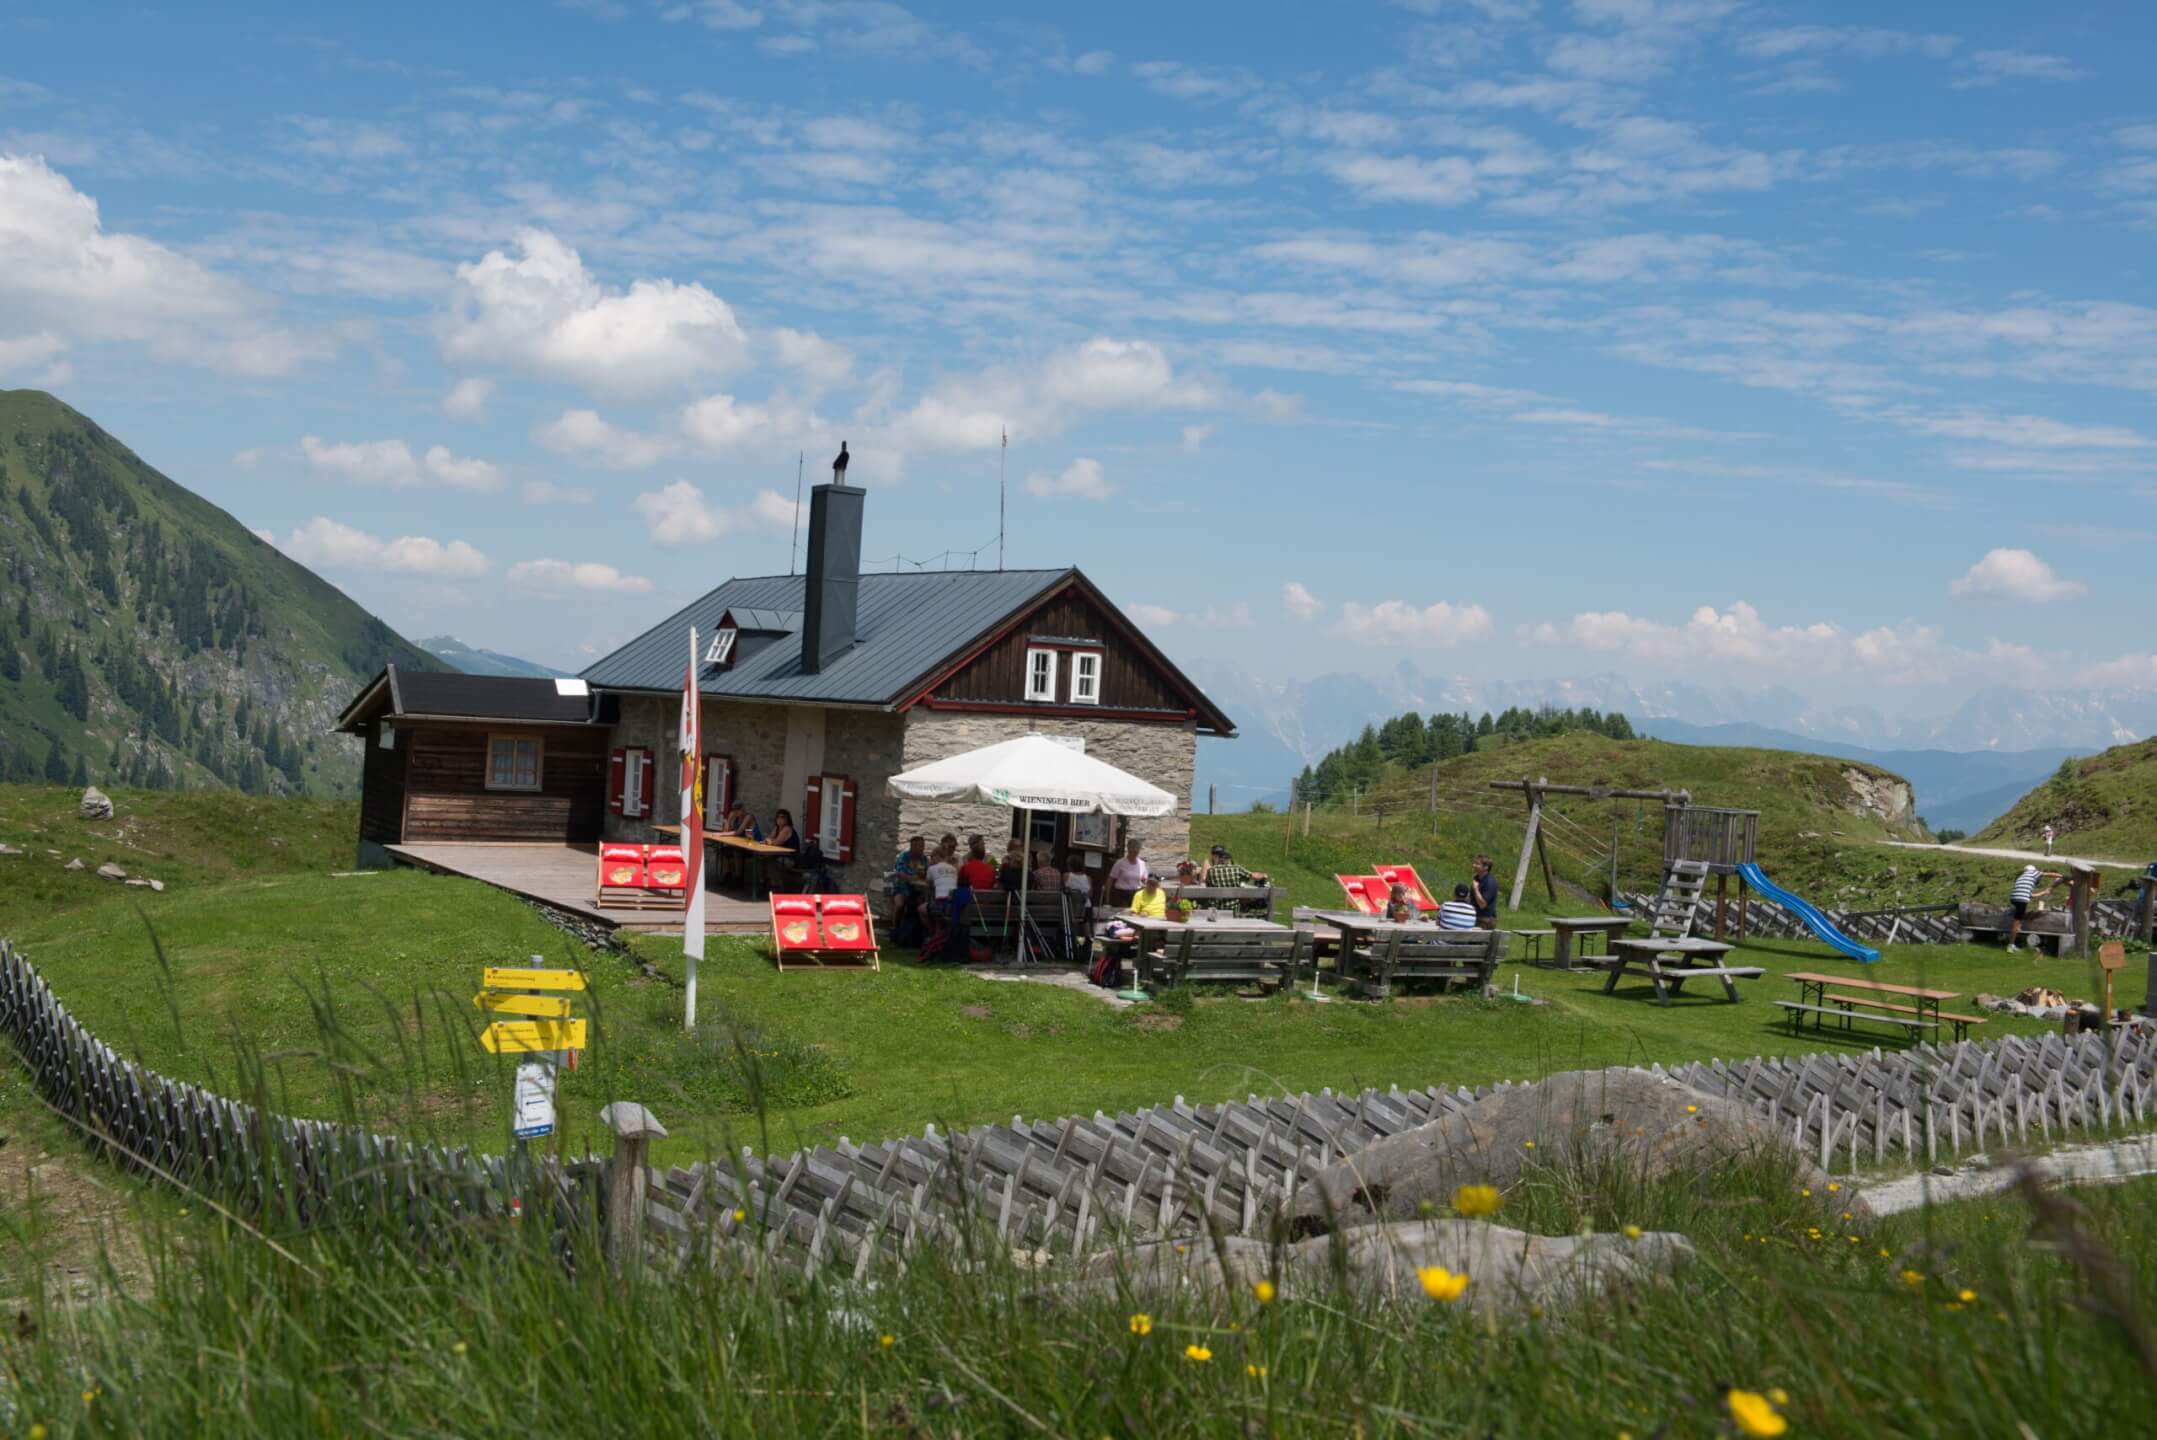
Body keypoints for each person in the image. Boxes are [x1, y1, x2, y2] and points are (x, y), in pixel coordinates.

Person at [2006, 863, 2061, 951]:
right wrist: (2061, 876)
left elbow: (2031, 895)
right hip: (2021, 899)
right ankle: (2011, 945)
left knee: (2020, 918)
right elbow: (2049, 874)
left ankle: (2017, 930)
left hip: (2014, 898)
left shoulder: (2021, 877)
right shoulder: (2033, 872)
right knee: (2017, 922)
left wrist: (2044, 892)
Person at [887, 835, 930, 927]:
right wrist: (913, 878)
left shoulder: (924, 859)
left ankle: (915, 930)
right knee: (900, 904)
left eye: (923, 846)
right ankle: (895, 928)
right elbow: (901, 874)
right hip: (901, 888)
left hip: (917, 890)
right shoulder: (903, 857)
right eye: (920, 846)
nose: (922, 848)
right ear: (912, 846)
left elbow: (927, 873)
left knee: (923, 904)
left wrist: (923, 877)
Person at [1106, 838, 1148, 904]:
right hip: (1121, 895)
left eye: (1137, 851)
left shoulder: (1142, 864)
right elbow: (1110, 880)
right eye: (1133, 850)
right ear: (1128, 849)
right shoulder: (1120, 863)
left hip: (1136, 895)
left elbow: (1144, 880)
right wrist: (1107, 898)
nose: (1134, 853)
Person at [1470, 854, 1498, 929]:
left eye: (1477, 864)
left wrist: (1476, 889)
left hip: (1485, 920)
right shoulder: (1477, 878)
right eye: (1474, 863)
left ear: (1486, 867)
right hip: (1475, 916)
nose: (1474, 865)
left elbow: (1482, 905)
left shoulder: (1490, 882)